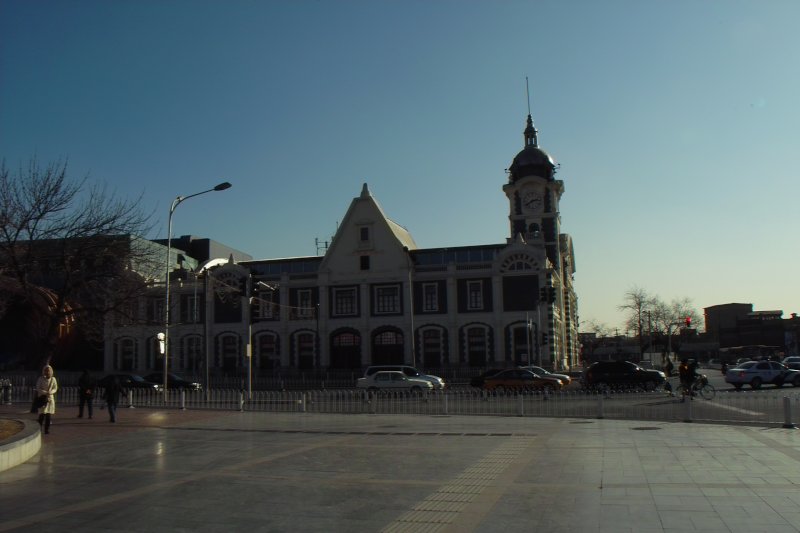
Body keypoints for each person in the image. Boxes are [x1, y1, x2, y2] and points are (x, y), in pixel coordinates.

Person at [35, 365, 58, 434]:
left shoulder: (53, 379)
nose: (48, 372)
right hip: (42, 399)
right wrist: (45, 392)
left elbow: (55, 388)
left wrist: (51, 392)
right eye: (46, 370)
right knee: (41, 416)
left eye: (49, 370)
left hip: (50, 399)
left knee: (48, 416)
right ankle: (38, 430)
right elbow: (38, 388)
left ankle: (46, 430)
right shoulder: (40, 379)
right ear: (44, 371)